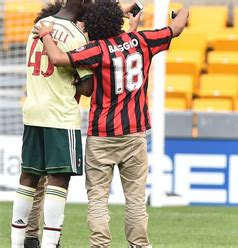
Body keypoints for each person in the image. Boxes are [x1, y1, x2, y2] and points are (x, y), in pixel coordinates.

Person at [35, 2, 189, 247]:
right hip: (134, 134)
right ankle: (139, 244)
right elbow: (176, 28)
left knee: (97, 199)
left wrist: (45, 34)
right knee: (136, 200)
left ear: (95, 26)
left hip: (101, 135)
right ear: (118, 22)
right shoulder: (143, 41)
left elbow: (56, 58)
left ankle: (99, 245)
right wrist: (183, 10)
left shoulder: (95, 50)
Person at [10, 0, 94, 247]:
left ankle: (16, 243)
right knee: (58, 181)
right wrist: (72, 80)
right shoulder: (76, 37)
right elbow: (87, 87)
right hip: (59, 115)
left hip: (33, 111)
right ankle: (50, 243)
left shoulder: (38, 26)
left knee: (28, 178)